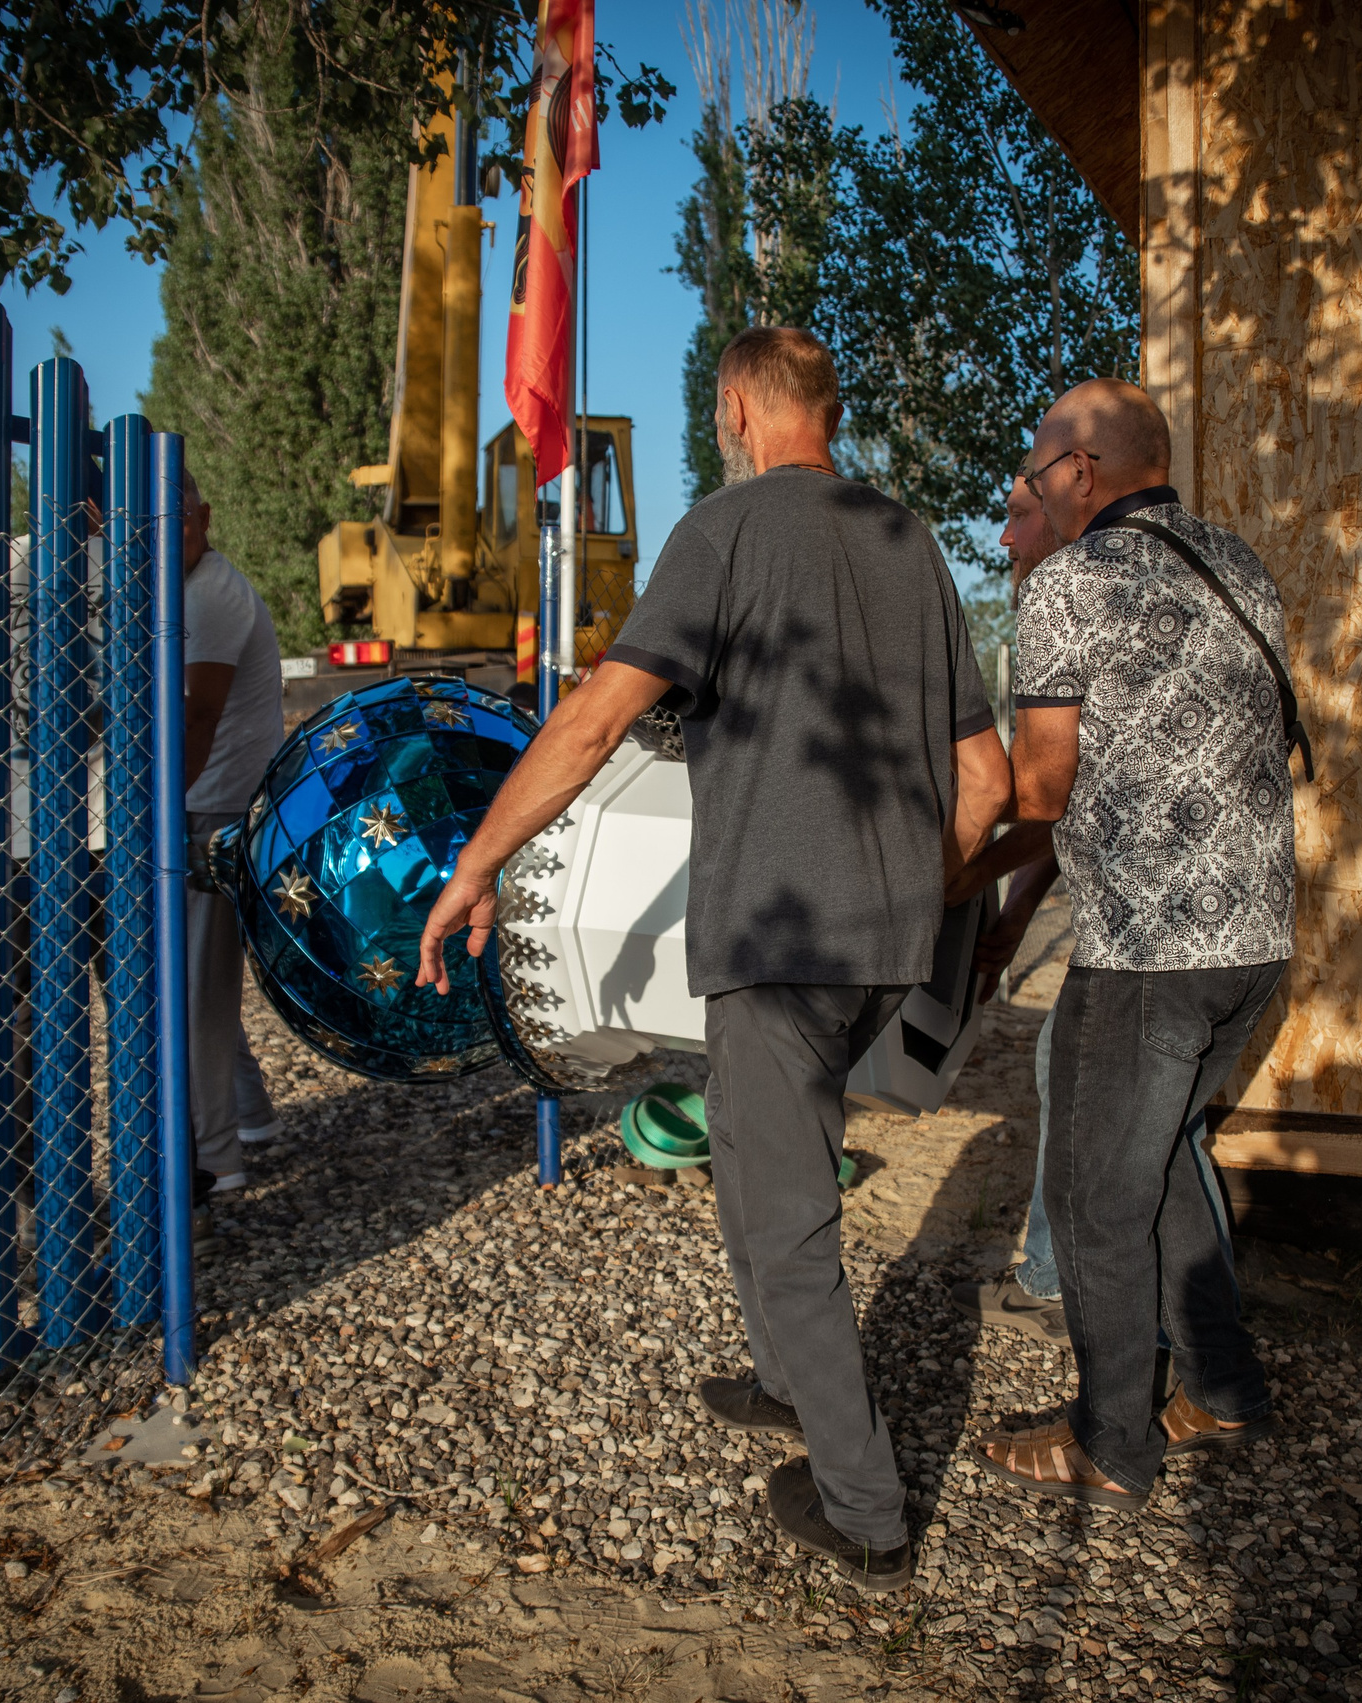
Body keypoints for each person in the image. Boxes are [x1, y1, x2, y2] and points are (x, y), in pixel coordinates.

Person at [415, 327, 1010, 1593]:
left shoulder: (725, 531)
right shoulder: (911, 543)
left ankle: (865, 1506)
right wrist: (915, 890)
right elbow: (988, 779)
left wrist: (476, 865)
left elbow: (593, 720)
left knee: (788, 1218)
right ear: (823, 409)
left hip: (777, 936)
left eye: (721, 414)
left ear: (737, 409)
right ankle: (785, 1377)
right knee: (746, 1140)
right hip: (882, 944)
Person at [971, 377, 1299, 1511]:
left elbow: (1044, 786)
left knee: (1095, 1199)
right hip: (1254, 945)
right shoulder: (1238, 564)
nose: (1030, 482)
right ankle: (1221, 1385)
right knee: (1157, 1167)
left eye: (1036, 462)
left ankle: (1111, 1440)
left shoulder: (1071, 583)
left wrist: (940, 862)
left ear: (1081, 473)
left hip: (1149, 953)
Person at [944, 477, 1070, 1341]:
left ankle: (1058, 1286)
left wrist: (961, 870)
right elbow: (1069, 810)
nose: (1002, 536)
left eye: (1020, 513)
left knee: (1072, 1071)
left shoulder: (1065, 604)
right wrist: (1017, 913)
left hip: (1158, 924)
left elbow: (1041, 795)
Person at [177, 469, 288, 1192]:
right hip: (206, 798)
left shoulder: (209, 592)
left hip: (208, 805)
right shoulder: (190, 586)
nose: (165, 537)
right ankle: (248, 1114)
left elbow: (198, 713)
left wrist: (157, 804)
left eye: (178, 519)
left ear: (205, 514)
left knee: (195, 993)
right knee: (200, 981)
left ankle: (215, 1158)